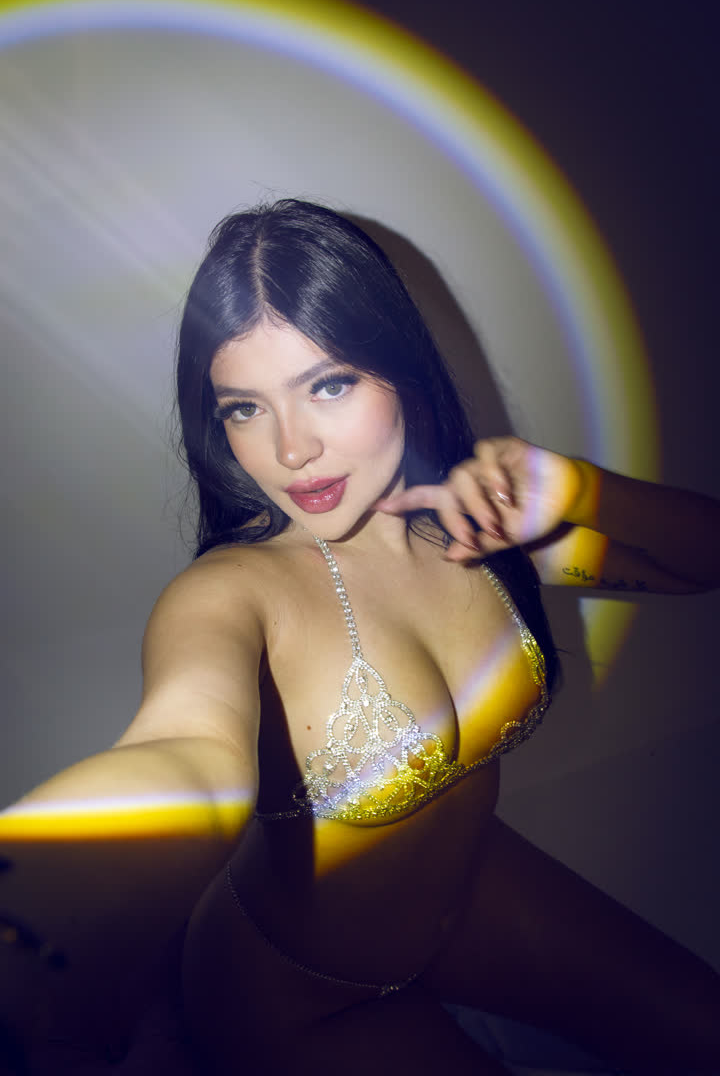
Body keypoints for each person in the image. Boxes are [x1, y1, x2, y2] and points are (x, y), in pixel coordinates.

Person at [2, 199, 719, 1075]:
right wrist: (28, 910)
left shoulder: (477, 524)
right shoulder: (229, 593)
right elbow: (184, 752)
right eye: (244, 408)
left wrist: (580, 490)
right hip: (301, 993)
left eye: (329, 385)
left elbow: (699, 563)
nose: (291, 449)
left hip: (473, 894)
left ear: (401, 368)